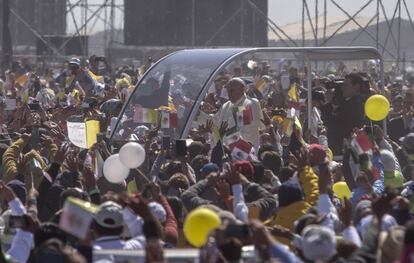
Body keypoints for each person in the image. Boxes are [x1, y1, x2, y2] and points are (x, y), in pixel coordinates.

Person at [322, 73, 366, 155]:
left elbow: (335, 124)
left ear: (356, 87)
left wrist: (333, 110)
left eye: (346, 85)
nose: (342, 88)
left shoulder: (356, 105)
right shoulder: (344, 103)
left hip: (346, 150)